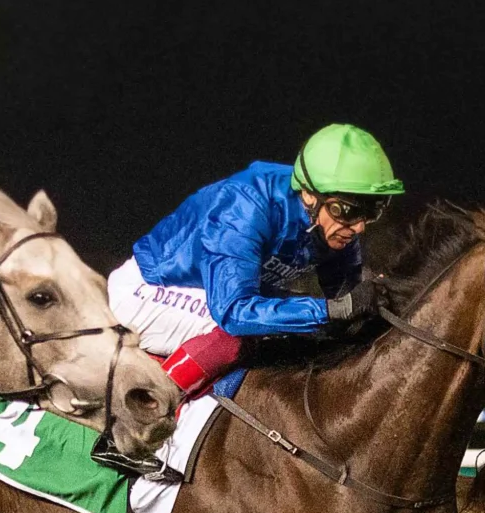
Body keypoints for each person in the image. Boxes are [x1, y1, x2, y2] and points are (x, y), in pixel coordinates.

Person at [112, 123, 402, 401]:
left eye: (371, 213)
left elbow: (345, 299)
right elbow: (233, 312)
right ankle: (140, 416)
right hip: (149, 290)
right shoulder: (245, 207)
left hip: (211, 294)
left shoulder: (335, 227)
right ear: (309, 195)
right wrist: (337, 309)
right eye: (349, 211)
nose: (360, 227)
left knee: (309, 328)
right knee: (238, 336)